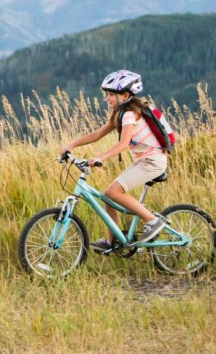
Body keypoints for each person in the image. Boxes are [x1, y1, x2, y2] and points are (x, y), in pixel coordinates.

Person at [60, 69, 168, 252]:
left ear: (125, 95)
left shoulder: (130, 114)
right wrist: (72, 145)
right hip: (144, 161)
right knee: (108, 196)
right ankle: (113, 242)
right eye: (107, 94)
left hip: (152, 162)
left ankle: (153, 221)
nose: (107, 98)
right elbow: (97, 134)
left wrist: (100, 157)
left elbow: (124, 143)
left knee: (113, 192)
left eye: (111, 94)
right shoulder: (120, 113)